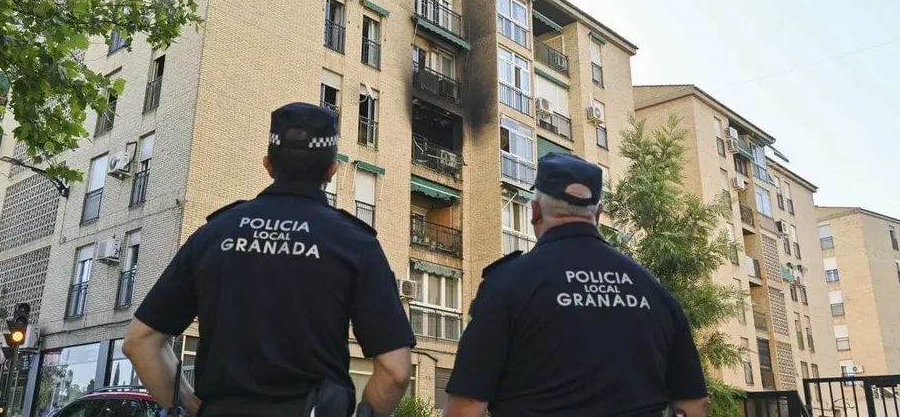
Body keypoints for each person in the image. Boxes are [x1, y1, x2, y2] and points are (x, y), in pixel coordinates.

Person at [122, 102, 416, 417]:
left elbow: (141, 342)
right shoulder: (355, 243)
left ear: (268, 165)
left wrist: (193, 408)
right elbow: (395, 371)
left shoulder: (214, 235)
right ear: (332, 170)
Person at [442, 152, 710, 417]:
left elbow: (466, 408)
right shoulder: (654, 290)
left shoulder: (505, 286)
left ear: (534, 212)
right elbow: (693, 406)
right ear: (599, 214)